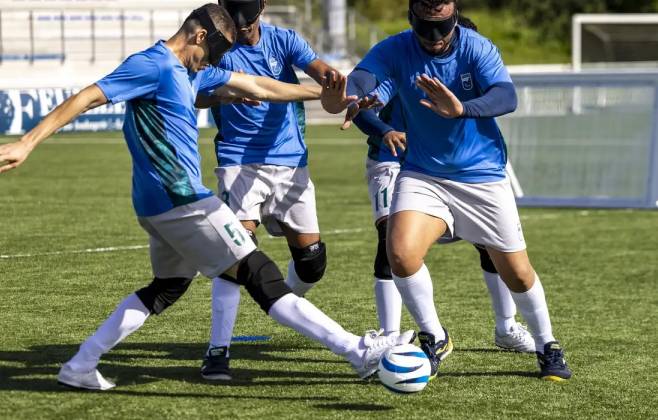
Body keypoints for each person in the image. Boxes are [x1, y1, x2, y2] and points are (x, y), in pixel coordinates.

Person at [0, 3, 412, 391]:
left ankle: (81, 365)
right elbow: (88, 95)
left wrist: (320, 95)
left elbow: (259, 85)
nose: (215, 62)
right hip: (183, 202)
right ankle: (358, 352)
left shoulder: (192, 71)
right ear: (198, 35)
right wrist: (27, 143)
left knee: (166, 288)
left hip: (157, 207)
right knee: (260, 275)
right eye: (214, 52)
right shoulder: (153, 64)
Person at [323, 0, 571, 381]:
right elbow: (364, 80)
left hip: (482, 176)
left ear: (454, 17)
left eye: (444, 27)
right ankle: (434, 336)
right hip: (423, 173)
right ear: (412, 19)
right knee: (400, 252)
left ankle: (547, 344)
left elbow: (507, 96)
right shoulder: (394, 48)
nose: (436, 38)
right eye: (426, 28)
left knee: (518, 273)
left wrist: (462, 109)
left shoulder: (477, 47)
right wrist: (348, 94)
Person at [351, 15, 534, 353]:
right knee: (390, 240)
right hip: (392, 160)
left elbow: (500, 98)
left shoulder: (470, 67)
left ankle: (506, 327)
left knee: (490, 246)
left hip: (448, 167)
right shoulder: (402, 63)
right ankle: (391, 334)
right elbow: (362, 105)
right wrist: (383, 129)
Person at [193, 0, 343, 381]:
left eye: (248, 22)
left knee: (312, 261)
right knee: (235, 255)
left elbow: (320, 70)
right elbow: (195, 95)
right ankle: (217, 352)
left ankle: (284, 301)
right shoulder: (215, 46)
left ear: (261, 10)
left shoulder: (284, 39)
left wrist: (333, 81)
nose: (242, 29)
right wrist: (224, 94)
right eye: (235, 21)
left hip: (291, 163)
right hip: (238, 163)